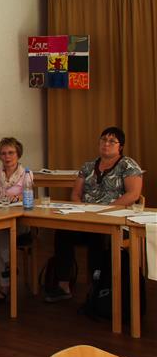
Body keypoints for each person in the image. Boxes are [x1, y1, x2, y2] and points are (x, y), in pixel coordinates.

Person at [46, 127, 143, 302]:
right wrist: (80, 210)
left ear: (120, 146)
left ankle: (96, 287)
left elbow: (133, 195)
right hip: (86, 218)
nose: (106, 144)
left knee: (99, 238)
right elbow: (76, 193)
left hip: (114, 220)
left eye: (111, 141)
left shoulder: (128, 165)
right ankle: (63, 285)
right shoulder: (88, 166)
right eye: (103, 140)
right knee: (62, 232)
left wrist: (105, 211)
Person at [0, 137, 31, 304]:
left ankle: (5, 285)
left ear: (18, 154)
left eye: (11, 153)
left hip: (20, 220)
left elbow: (30, 200)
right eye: (3, 153)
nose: (7, 156)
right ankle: (10, 265)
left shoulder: (26, 174)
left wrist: (18, 198)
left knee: (0, 237)